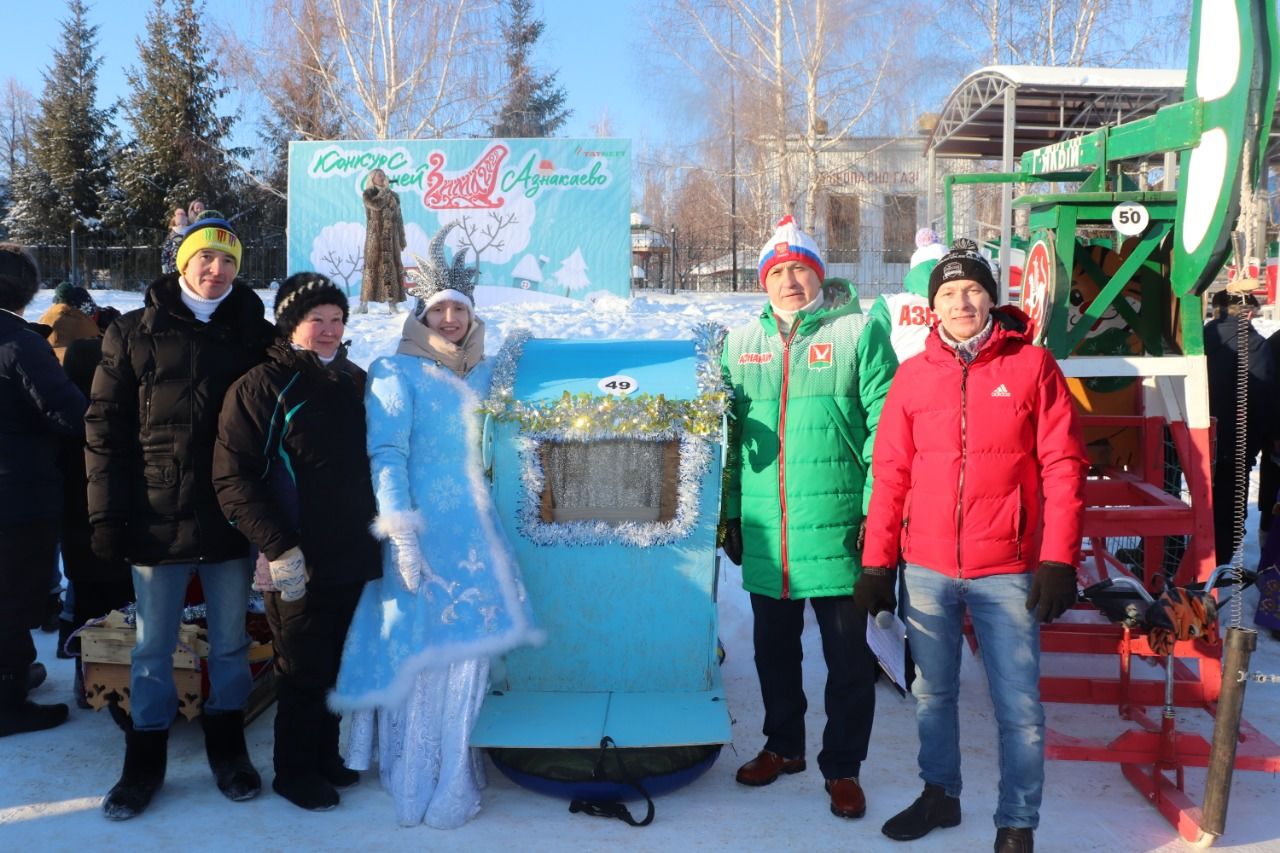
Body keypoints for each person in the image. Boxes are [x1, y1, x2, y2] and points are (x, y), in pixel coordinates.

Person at [860, 238, 1088, 853]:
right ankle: (941, 795)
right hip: (927, 568)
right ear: (932, 306)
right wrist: (878, 563)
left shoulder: (1033, 368)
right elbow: (891, 477)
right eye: (949, 293)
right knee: (933, 695)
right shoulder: (912, 378)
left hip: (1008, 569)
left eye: (973, 290)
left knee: (1019, 707)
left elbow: (1064, 466)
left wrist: (1058, 557)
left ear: (991, 298)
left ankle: (1017, 824)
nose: (961, 302)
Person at [331, 224, 538, 828]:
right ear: (421, 314)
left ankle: (456, 769)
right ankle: (411, 768)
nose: (449, 319)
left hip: (475, 535)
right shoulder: (395, 372)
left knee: (467, 655)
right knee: (421, 651)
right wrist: (400, 531)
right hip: (419, 532)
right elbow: (386, 455)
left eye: (459, 309)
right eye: (438, 308)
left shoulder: (487, 371)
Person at [85, 213, 276, 819]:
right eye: (206, 259)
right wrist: (105, 515)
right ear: (183, 262)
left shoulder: (254, 333)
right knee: (151, 648)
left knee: (228, 644)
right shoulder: (131, 332)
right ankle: (143, 761)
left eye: (229, 262)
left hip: (228, 515)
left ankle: (229, 749)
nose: (217, 271)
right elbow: (103, 429)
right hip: (153, 515)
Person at [719, 215, 897, 821]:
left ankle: (843, 766)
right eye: (778, 271)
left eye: (800, 269)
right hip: (770, 530)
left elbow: (887, 431)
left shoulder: (856, 333)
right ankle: (782, 746)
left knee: (849, 660)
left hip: (841, 527)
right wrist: (729, 514)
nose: (790, 281)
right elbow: (728, 437)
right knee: (774, 651)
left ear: (818, 275)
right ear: (763, 281)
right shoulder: (738, 344)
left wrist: (878, 517)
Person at [213, 272, 382, 812]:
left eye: (337, 320)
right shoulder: (263, 386)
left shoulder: (355, 380)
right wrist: (277, 545)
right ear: (291, 326)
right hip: (296, 556)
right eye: (317, 321)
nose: (329, 330)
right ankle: (294, 769)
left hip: (353, 551)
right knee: (302, 666)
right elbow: (234, 478)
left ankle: (326, 754)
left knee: (338, 662)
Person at [0, 244, 87, 737]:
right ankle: (7, 696)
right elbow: (68, 412)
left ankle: (17, 667)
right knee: (13, 594)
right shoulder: (20, 343)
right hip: (16, 492)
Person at [1204, 291, 1280, 567]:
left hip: (1198, 438)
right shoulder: (1255, 345)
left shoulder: (1199, 340)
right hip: (1237, 441)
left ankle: (1192, 556)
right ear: (1247, 312)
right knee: (1229, 506)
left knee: (1201, 498)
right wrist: (1270, 436)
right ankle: (1220, 563)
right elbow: (1265, 395)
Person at [868, 227, 944, 363]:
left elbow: (871, 344)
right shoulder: (961, 303)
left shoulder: (889, 304)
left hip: (900, 376)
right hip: (950, 378)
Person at [358, 168, 406, 314]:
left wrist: (402, 238)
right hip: (375, 237)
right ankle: (363, 305)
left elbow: (399, 218)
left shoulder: (394, 196)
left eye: (383, 175)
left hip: (391, 238)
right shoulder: (368, 194)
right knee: (371, 269)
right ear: (372, 178)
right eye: (379, 175)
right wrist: (385, 190)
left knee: (391, 268)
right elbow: (376, 205)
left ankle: (392, 305)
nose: (383, 177)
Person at [160, 208, 189, 275]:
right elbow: (165, 251)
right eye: (179, 223)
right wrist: (164, 265)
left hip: (186, 266)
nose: (181, 225)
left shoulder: (189, 233)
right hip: (173, 266)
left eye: (183, 223)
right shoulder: (171, 235)